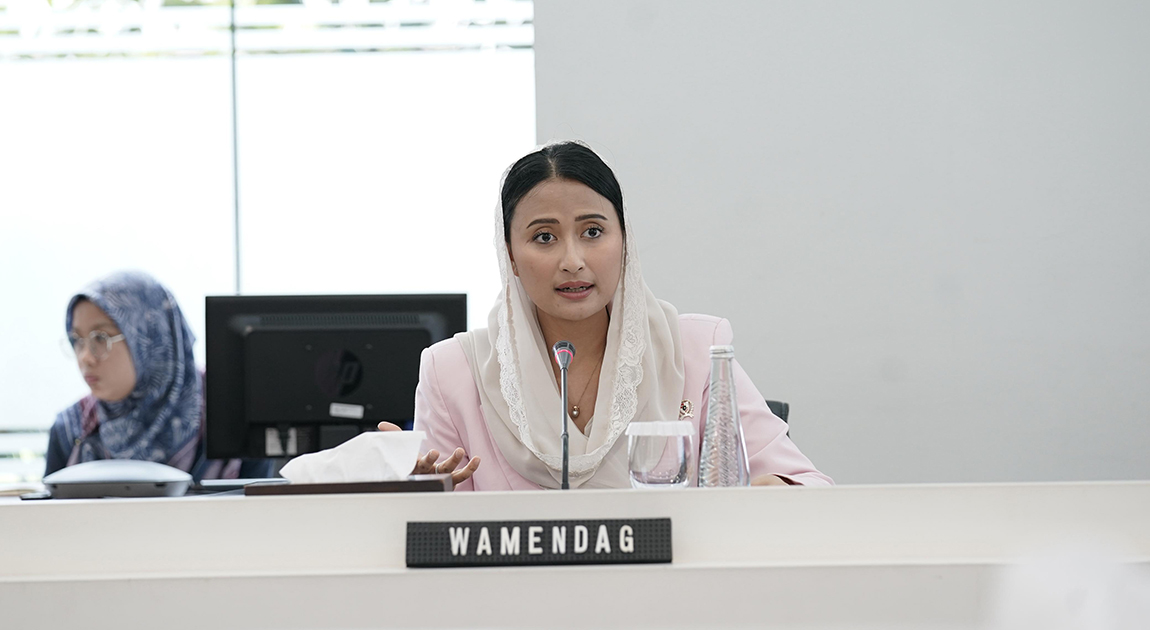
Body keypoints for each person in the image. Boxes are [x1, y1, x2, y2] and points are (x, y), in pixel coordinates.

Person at [384, 142, 832, 490]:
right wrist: (410, 492)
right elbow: (439, 533)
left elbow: (810, 486)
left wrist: (769, 491)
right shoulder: (453, 372)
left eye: (593, 231)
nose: (573, 261)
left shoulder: (697, 351)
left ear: (624, 240)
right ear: (511, 256)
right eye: (544, 237)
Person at [45, 271, 272, 480]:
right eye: (77, 340)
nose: (85, 357)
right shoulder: (71, 429)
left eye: (100, 338)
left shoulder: (232, 417)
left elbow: (263, 508)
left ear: (151, 338)